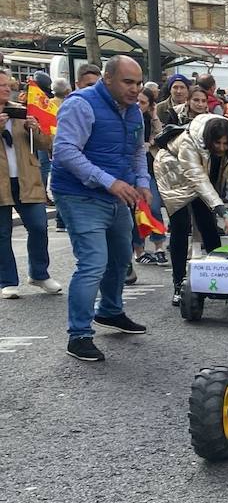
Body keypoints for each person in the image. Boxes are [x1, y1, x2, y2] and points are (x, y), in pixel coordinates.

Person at [50, 55, 151, 362]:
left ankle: (109, 311)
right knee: (93, 262)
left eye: (138, 83)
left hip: (116, 195)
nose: (135, 90)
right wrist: (109, 181)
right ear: (108, 79)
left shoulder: (134, 111)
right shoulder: (81, 104)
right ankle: (78, 335)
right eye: (128, 82)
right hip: (79, 195)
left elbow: (136, 152)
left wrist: (142, 180)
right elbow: (65, 151)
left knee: (120, 259)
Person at [155, 113, 228, 304]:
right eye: (217, 143)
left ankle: (222, 278)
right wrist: (222, 210)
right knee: (180, 225)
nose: (222, 148)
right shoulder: (189, 142)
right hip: (173, 172)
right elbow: (197, 178)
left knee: (209, 225)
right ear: (208, 140)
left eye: (225, 144)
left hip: (201, 172)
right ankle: (178, 284)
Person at [0, 69, 61, 299]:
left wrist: (35, 129)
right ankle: (7, 281)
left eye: (8, 85)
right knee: (2, 233)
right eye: (2, 85)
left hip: (26, 178)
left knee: (38, 226)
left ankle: (39, 273)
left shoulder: (21, 110)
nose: (7, 89)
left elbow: (46, 144)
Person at [131, 87, 168, 270]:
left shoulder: (150, 119)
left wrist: (154, 116)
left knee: (153, 207)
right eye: (137, 101)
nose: (139, 105)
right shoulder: (127, 116)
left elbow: (161, 137)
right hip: (130, 171)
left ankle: (159, 246)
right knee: (136, 211)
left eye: (143, 102)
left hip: (150, 169)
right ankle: (139, 251)